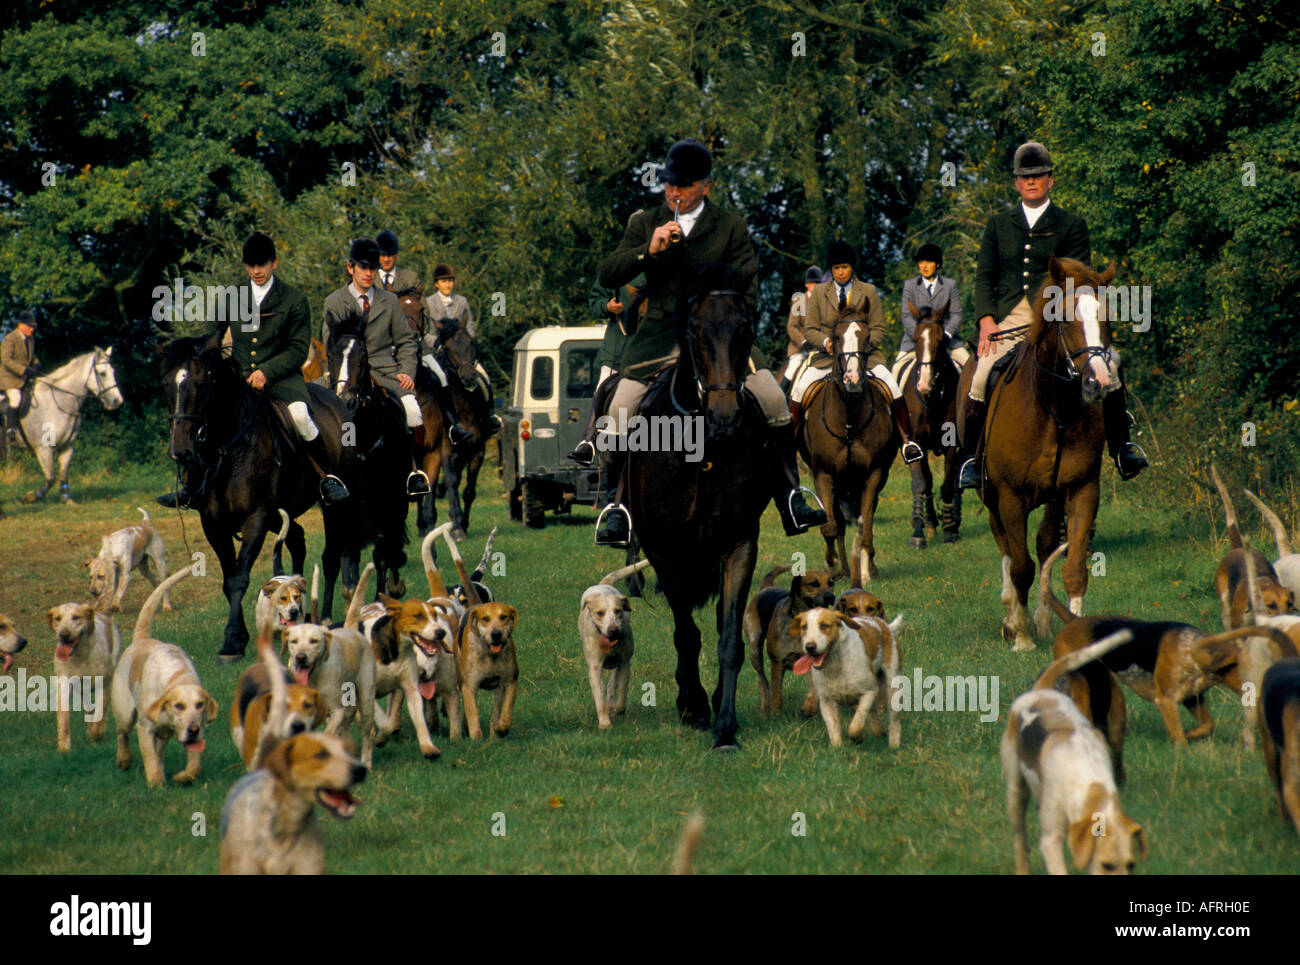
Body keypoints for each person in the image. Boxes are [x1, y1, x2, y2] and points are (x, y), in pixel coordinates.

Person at [590, 138, 826, 546]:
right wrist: (648, 251)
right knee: (621, 407)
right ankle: (617, 507)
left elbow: (748, 289)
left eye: (682, 185)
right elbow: (608, 270)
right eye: (669, 184)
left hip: (720, 335)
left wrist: (726, 320)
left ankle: (792, 494)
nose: (673, 192)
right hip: (660, 335)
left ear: (706, 186)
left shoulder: (730, 225)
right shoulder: (646, 222)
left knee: (772, 401)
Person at [958, 141, 1147, 489]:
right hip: (1010, 315)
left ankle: (1123, 448)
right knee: (982, 372)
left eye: (1039, 176)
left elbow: (1081, 278)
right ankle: (972, 458)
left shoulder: (1072, 224)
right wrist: (986, 320)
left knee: (1110, 366)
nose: (1031, 181)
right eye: (1024, 177)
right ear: (1016, 182)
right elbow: (984, 277)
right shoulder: (998, 225)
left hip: (1058, 314)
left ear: (1050, 180)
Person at [158, 233, 349, 508]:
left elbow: (297, 350)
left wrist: (266, 372)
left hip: (282, 381)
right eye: (251, 265)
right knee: (206, 417)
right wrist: (188, 353)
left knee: (300, 417)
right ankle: (191, 486)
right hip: (238, 379)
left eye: (262, 265)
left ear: (275, 263)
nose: (256, 271)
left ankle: (326, 478)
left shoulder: (294, 300)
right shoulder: (231, 296)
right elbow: (211, 338)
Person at [789, 240, 924, 464]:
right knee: (799, 391)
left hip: (866, 358)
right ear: (831, 270)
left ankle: (908, 443)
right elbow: (810, 329)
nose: (840, 272)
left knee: (893, 387)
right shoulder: (820, 293)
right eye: (836, 268)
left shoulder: (869, 291)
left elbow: (879, 328)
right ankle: (787, 445)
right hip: (827, 358)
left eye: (845, 267)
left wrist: (861, 347)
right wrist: (824, 342)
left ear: (852, 268)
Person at [321, 237, 431, 498]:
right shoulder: (334, 302)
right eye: (363, 268)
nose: (369, 274)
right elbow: (330, 346)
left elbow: (405, 341)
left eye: (373, 268)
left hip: (385, 371)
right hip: (345, 374)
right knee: (320, 415)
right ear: (351, 268)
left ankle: (414, 472)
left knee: (413, 411)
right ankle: (328, 475)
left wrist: (406, 369)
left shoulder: (389, 301)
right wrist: (337, 376)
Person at [566, 270, 643, 468]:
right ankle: (589, 442)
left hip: (655, 346)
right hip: (618, 350)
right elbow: (595, 301)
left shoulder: (669, 262)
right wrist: (607, 306)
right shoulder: (619, 266)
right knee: (602, 388)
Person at [892, 242, 969, 383]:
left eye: (929, 261)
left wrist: (946, 334)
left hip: (948, 341)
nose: (924, 266)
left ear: (938, 264)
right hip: (915, 341)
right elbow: (906, 315)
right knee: (896, 370)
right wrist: (918, 335)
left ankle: (968, 404)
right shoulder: (910, 285)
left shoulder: (949, 285)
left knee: (969, 368)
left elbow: (956, 314)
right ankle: (895, 405)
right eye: (921, 262)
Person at [779, 266, 824, 393]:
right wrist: (803, 342)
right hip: (800, 349)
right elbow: (791, 326)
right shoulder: (799, 300)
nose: (815, 286)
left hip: (821, 348)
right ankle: (782, 399)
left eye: (818, 284)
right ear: (807, 284)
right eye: (813, 283)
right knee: (792, 369)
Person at [0, 310, 39, 456]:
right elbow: (6, 360)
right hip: (9, 379)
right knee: (16, 398)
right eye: (29, 326)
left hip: (24, 378)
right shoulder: (10, 339)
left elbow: (32, 355)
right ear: (21, 325)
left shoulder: (30, 339)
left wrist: (37, 364)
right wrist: (24, 370)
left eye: (33, 326)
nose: (32, 329)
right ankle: (11, 429)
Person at [375, 230, 424, 297]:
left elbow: (422, 306)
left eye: (390, 255)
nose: (386, 259)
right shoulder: (368, 279)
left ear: (397, 255)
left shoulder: (411, 279)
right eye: (382, 255)